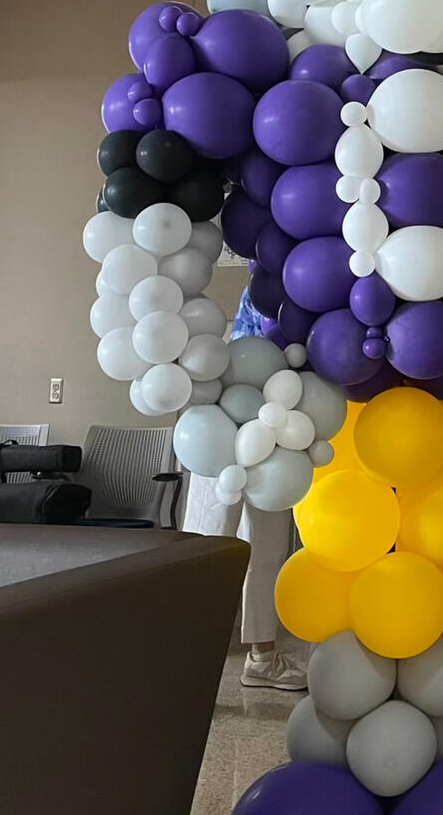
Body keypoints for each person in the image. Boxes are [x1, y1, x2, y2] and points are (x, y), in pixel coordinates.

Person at [181, 286, 306, 690]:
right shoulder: (261, 287)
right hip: (225, 421)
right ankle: (187, 658)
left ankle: (261, 657)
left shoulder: (312, 292)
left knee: (267, 550)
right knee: (208, 543)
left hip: (279, 430)